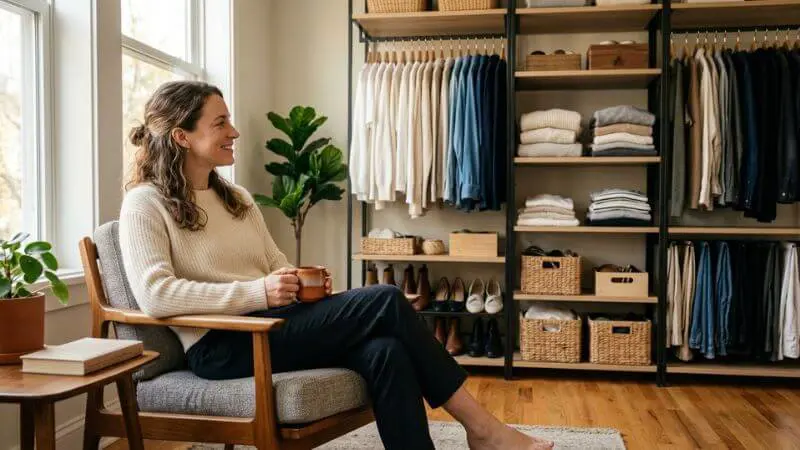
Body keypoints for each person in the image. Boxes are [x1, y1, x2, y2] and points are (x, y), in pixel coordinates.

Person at [119, 80, 553, 450]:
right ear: (182, 136)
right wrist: (258, 292)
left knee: (386, 350)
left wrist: (300, 284)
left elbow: (275, 264)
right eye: (220, 123)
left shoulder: (236, 198)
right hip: (222, 344)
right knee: (385, 299)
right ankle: (484, 430)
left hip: (272, 324)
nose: (234, 131)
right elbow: (156, 295)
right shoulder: (145, 204)